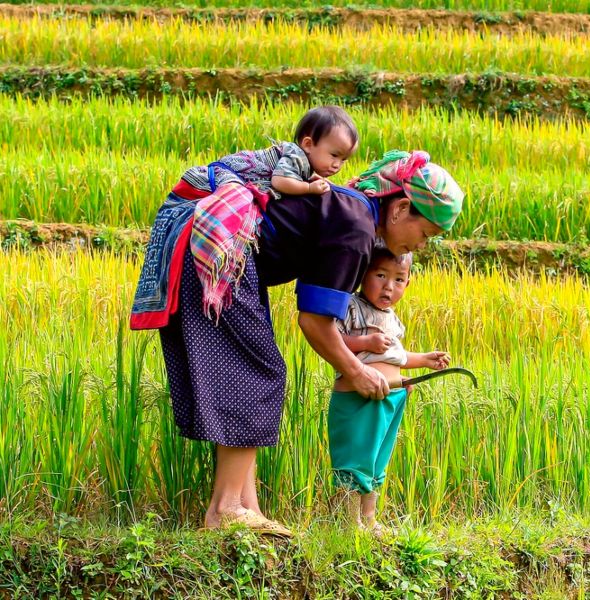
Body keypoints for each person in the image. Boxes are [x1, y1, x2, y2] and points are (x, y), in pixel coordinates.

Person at [130, 147, 464, 535]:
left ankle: (244, 507)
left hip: (215, 247)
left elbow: (316, 315)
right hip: (222, 250)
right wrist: (356, 372)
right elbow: (315, 322)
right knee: (259, 374)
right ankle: (226, 508)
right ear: (401, 208)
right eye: (426, 234)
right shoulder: (356, 229)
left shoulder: (351, 214)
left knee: (247, 373)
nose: (422, 246)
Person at [329, 248, 450, 535]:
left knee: (377, 460)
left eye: (398, 279)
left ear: (408, 283)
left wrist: (424, 360)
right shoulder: (351, 306)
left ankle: (369, 520)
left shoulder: (392, 318)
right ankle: (349, 523)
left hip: (392, 397)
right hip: (359, 397)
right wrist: (365, 342)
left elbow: (397, 356)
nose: (388, 287)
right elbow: (332, 339)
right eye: (381, 275)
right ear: (363, 274)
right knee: (356, 458)